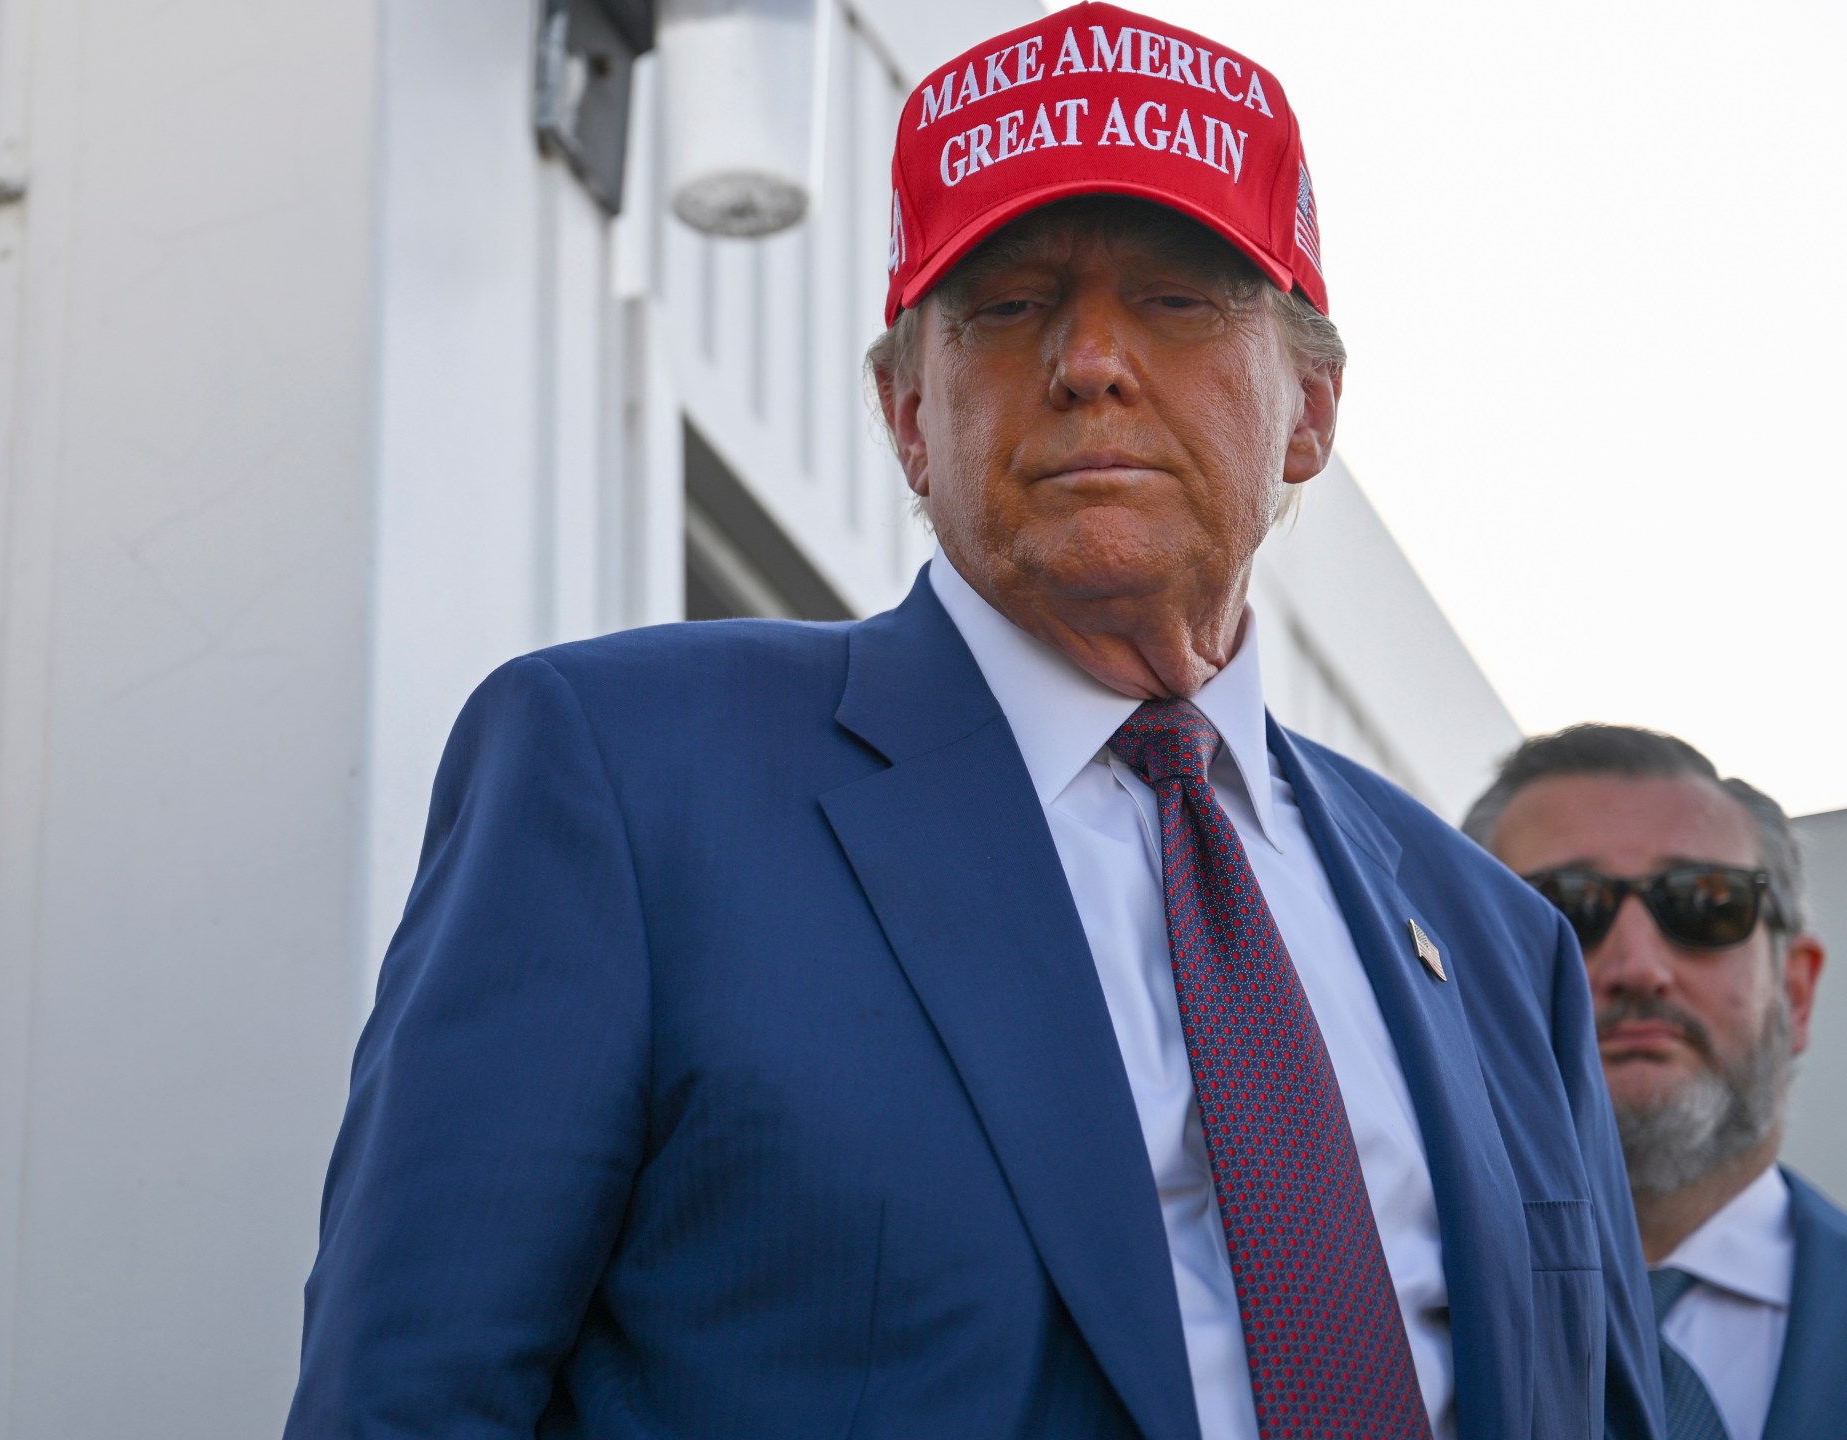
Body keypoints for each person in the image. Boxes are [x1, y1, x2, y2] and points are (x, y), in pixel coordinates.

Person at [287, 4, 1660, 1436]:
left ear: (1309, 406)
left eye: (1179, 299)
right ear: (904, 413)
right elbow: (410, 1398)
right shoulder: (629, 781)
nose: (1089, 360)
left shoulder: (1503, 950)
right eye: (1007, 306)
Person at [1466, 725, 1845, 1440]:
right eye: (1562, 913)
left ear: (1795, 994)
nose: (1638, 967)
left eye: (1706, 903)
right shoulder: (1344, 1310)